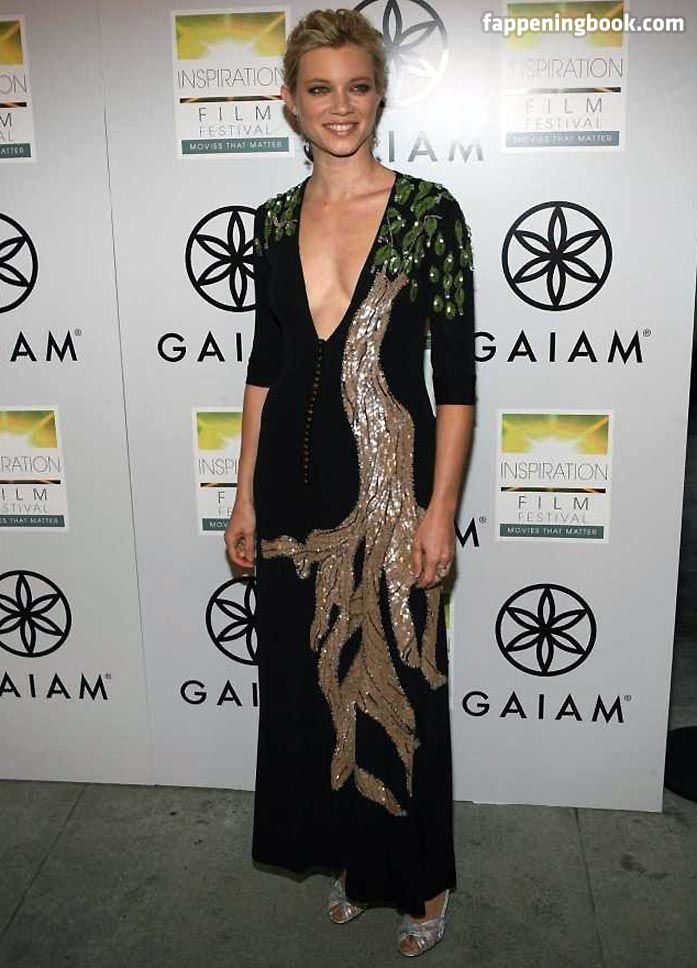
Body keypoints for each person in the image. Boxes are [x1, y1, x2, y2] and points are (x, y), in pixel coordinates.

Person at [224, 7, 475, 958]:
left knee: (400, 677)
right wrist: (243, 495)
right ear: (290, 103)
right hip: (290, 491)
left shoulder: (428, 214)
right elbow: (264, 366)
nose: (341, 106)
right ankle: (357, 863)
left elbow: (457, 384)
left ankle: (421, 878)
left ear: (379, 96)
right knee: (310, 684)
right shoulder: (273, 220)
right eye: (320, 89)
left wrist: (439, 512)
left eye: (358, 87)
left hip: (391, 488)